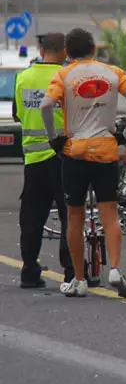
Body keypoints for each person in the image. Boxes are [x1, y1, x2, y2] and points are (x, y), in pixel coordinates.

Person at [40, 28, 126, 298]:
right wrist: (125, 136)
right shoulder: (113, 72)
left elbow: (45, 106)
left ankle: (79, 278)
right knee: (109, 214)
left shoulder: (63, 75)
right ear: (93, 48)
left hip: (75, 151)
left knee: (75, 216)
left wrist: (54, 139)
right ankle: (114, 268)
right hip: (106, 150)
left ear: (67, 52)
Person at [13, 32, 73, 288]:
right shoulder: (67, 76)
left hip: (34, 159)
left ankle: (29, 270)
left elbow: (17, 115)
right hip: (63, 156)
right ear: (63, 50)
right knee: (70, 214)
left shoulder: (24, 76)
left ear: (42, 50)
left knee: (32, 217)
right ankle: (71, 271)